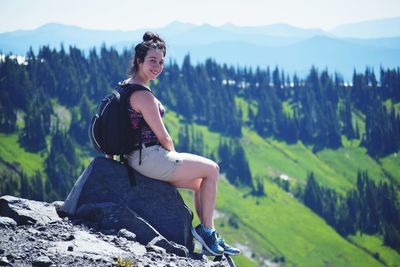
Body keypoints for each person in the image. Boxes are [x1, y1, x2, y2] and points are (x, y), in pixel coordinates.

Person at [123, 32, 240, 256]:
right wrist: (173, 157)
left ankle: (209, 233)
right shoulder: (142, 95)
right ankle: (206, 231)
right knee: (212, 169)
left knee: (200, 183)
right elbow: (164, 136)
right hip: (150, 157)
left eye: (161, 62)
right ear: (139, 60)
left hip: (138, 158)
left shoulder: (127, 86)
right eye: (152, 61)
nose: (157, 66)